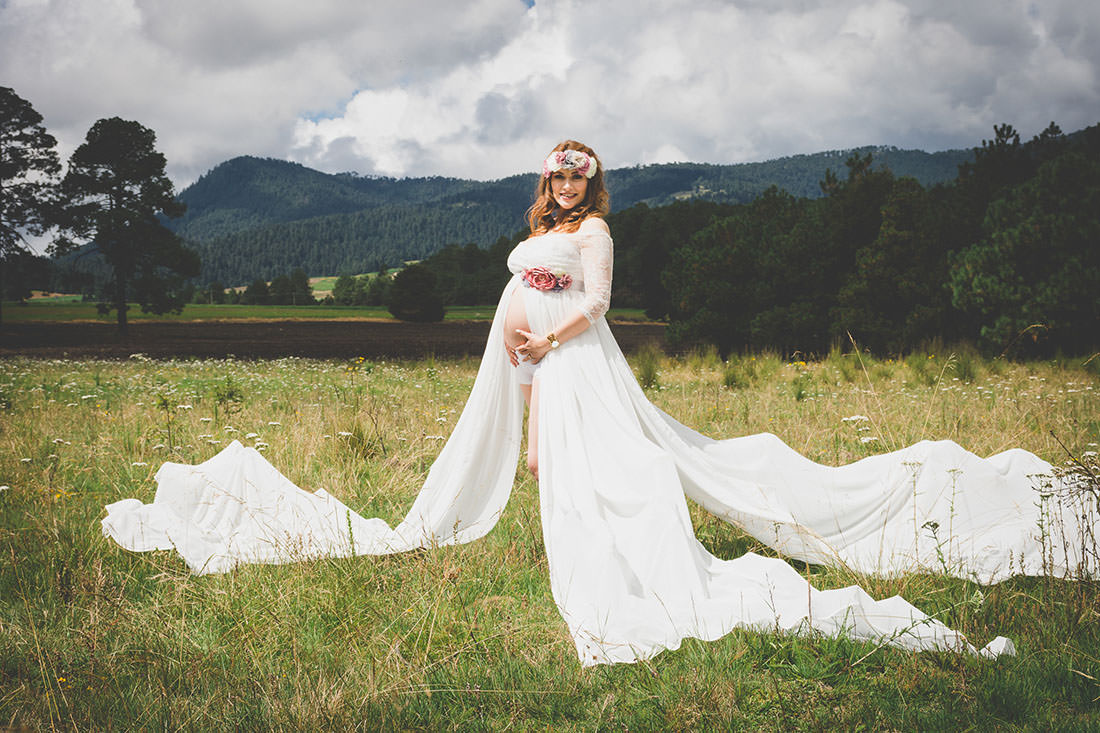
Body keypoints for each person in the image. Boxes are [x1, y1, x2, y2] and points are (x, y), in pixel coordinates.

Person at [104, 140, 1089, 666]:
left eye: (578, 174)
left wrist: (547, 341)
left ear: (592, 185)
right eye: (557, 173)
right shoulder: (542, 229)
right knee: (553, 468)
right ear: (546, 182)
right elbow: (529, 303)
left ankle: (631, 551)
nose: (567, 184)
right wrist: (526, 377)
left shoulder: (597, 235)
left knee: (627, 466)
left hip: (578, 364)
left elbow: (600, 306)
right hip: (538, 372)